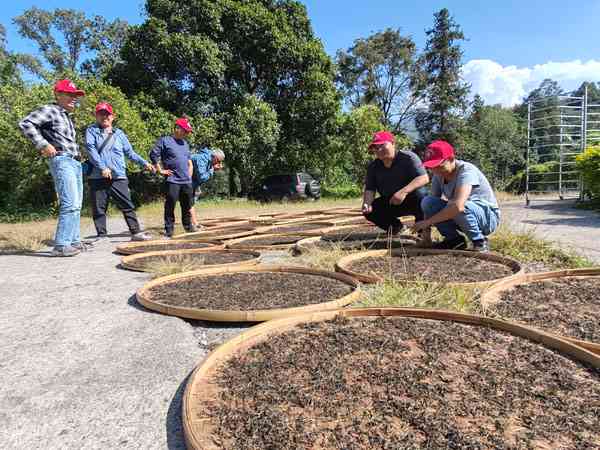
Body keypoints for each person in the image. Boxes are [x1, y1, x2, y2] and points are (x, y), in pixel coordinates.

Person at [18, 79, 89, 257]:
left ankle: (74, 240)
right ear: (58, 94)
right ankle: (61, 245)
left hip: (74, 162)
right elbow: (26, 123)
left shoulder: (66, 116)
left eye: (75, 95)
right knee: (70, 203)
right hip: (62, 160)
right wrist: (43, 145)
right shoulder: (50, 110)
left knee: (77, 204)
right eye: (70, 94)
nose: (74, 98)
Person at [411, 140, 500, 252]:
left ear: (451, 159)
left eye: (439, 165)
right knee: (428, 202)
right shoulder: (439, 174)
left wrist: (426, 223)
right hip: (462, 215)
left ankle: (479, 241)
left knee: (457, 205)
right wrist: (426, 234)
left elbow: (458, 206)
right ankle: (454, 240)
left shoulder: (466, 171)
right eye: (431, 166)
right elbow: (429, 207)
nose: (435, 170)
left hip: (487, 218)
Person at [85, 102, 155, 241]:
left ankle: (135, 232)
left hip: (118, 176)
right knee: (99, 207)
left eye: (107, 114)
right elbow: (91, 150)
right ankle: (102, 235)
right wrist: (102, 167)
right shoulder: (91, 130)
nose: (104, 116)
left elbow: (130, 153)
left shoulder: (119, 134)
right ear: (96, 116)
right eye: (100, 114)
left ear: (113, 116)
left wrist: (145, 162)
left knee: (127, 204)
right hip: (97, 176)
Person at [361, 131, 429, 235]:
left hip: (413, 199)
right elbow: (370, 189)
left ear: (393, 143)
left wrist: (403, 192)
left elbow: (424, 178)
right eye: (376, 147)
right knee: (372, 209)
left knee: (423, 196)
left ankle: (422, 231)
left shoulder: (409, 157)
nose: (379, 149)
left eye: (382, 145)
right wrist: (367, 203)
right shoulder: (373, 167)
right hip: (391, 201)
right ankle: (398, 228)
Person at [149, 118, 194, 238]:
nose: (187, 134)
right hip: (172, 180)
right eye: (186, 131)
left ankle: (188, 227)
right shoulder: (165, 141)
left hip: (186, 181)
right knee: (170, 205)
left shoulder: (185, 144)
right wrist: (160, 170)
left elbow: (189, 161)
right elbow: (153, 154)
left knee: (187, 205)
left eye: (188, 131)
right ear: (177, 129)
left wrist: (189, 176)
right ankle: (169, 230)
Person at [189, 147, 225, 227]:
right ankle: (193, 223)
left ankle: (194, 223)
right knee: (188, 201)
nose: (220, 164)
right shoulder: (201, 159)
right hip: (184, 180)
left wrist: (212, 168)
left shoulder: (209, 159)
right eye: (219, 161)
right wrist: (212, 169)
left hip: (192, 181)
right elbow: (202, 177)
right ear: (214, 157)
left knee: (191, 200)